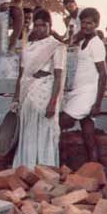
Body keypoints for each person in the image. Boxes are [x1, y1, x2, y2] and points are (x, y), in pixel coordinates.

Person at [11, 9, 66, 168]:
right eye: (37, 25)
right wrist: (15, 98)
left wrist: (53, 103)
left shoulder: (56, 46)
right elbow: (21, 75)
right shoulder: (27, 46)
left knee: (44, 132)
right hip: (26, 94)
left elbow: (58, 77)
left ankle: (44, 171)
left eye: (43, 25)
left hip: (45, 94)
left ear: (50, 26)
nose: (39, 29)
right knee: (27, 132)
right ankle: (25, 169)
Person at [60, 8, 107, 163]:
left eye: (89, 23)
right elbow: (70, 41)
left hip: (88, 93)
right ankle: (94, 167)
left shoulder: (96, 44)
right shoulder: (83, 41)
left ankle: (58, 160)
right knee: (88, 134)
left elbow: (104, 74)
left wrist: (98, 104)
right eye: (83, 23)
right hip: (79, 90)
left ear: (96, 24)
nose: (86, 26)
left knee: (62, 121)